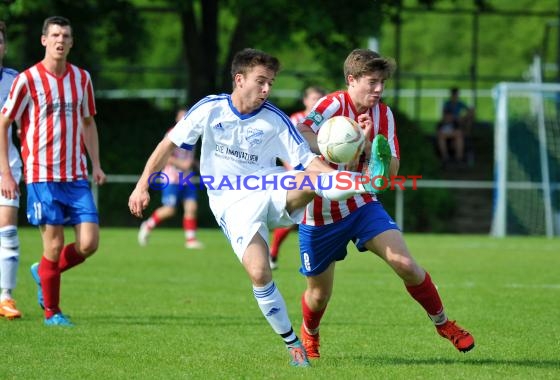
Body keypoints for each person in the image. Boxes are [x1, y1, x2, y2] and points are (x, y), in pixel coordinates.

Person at [128, 48, 376, 367]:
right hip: (230, 202)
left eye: (270, 83)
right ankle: (292, 344)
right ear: (239, 79)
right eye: (261, 82)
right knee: (259, 272)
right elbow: (168, 144)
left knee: (309, 181)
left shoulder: (275, 119)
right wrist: (142, 184)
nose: (266, 90)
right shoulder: (210, 109)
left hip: (269, 184)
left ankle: (359, 182)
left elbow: (308, 161)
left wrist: (338, 177)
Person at [296, 49, 475, 359]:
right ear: (351, 80)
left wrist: (367, 145)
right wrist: (339, 142)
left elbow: (389, 173)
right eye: (372, 82)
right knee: (319, 295)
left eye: (383, 83)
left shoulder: (384, 115)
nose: (379, 90)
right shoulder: (332, 104)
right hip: (320, 214)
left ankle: (444, 324)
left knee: (405, 264)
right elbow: (302, 133)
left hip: (362, 204)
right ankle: (309, 334)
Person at [0, 16, 106, 327]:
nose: (61, 40)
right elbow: (5, 121)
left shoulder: (81, 79)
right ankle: (52, 312)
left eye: (66, 35)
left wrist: (96, 164)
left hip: (75, 176)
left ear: (72, 42)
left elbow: (88, 122)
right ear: (44, 40)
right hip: (40, 175)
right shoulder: (27, 80)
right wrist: (6, 172)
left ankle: (44, 270)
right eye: (55, 34)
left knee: (89, 243)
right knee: (55, 244)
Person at [269, 85, 326, 270]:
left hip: (321, 173)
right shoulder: (295, 119)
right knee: (296, 217)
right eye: (313, 98)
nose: (316, 102)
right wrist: (291, 170)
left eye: (320, 98)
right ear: (305, 100)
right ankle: (272, 252)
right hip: (299, 174)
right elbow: (283, 147)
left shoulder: (329, 122)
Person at [138, 108, 204, 249]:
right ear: (177, 119)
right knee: (169, 210)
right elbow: (164, 156)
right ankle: (148, 225)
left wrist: (197, 165)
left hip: (187, 178)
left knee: (191, 206)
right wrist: (182, 164)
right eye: (181, 117)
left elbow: (189, 158)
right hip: (171, 177)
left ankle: (190, 240)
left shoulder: (194, 135)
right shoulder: (171, 133)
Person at [0, 21, 22, 320]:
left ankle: (5, 297)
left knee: (7, 230)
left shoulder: (15, 81)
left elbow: (25, 125)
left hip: (8, 166)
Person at [436, 87, 474, 164]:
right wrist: (452, 118)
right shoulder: (447, 104)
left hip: (456, 126)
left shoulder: (460, 104)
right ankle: (445, 157)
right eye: (454, 94)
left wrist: (464, 118)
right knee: (442, 136)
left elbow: (469, 112)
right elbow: (445, 118)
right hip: (449, 128)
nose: (455, 96)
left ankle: (458, 158)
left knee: (458, 136)